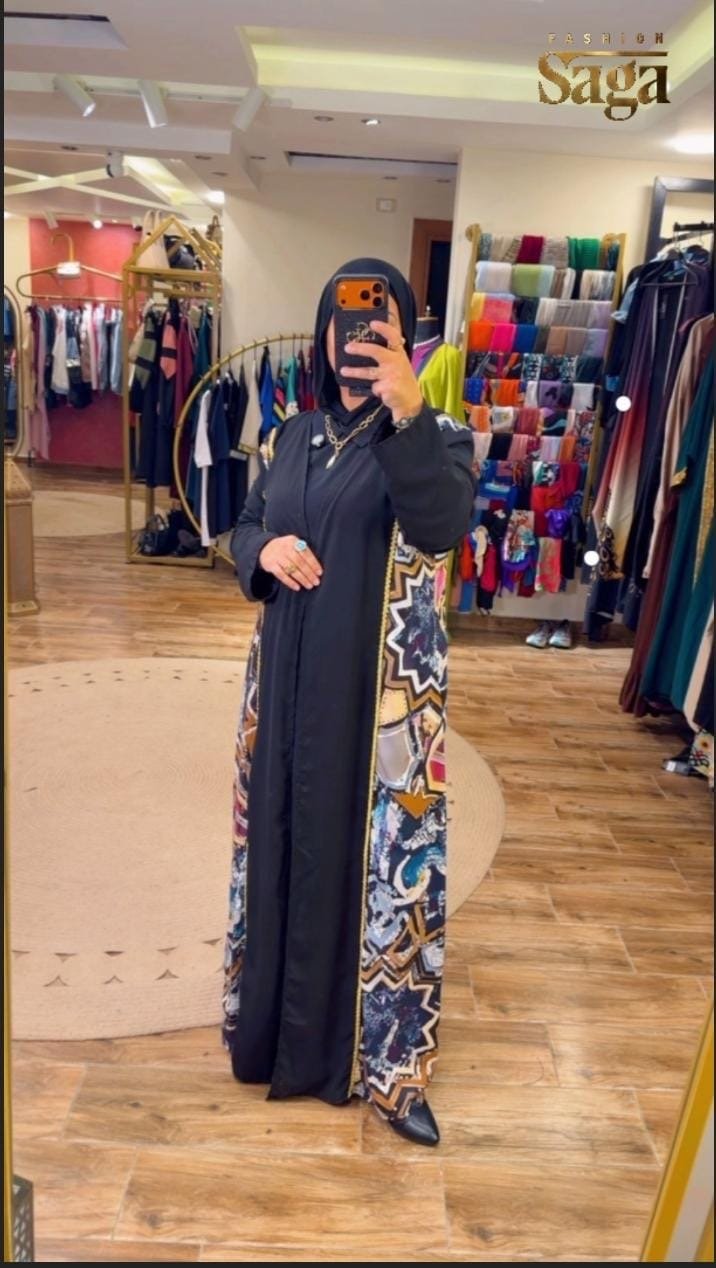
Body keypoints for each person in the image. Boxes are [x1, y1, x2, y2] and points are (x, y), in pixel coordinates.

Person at [223, 257, 474, 1146]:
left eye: (376, 318)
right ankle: (272, 1035)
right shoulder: (290, 436)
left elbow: (441, 527)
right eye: (342, 317)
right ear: (323, 332)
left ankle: (388, 1067)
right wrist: (262, 551)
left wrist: (409, 410)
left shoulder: (438, 434)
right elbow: (245, 525)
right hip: (287, 687)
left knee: (371, 866)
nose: (356, 334)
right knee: (284, 841)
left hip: (377, 712)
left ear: (403, 332)